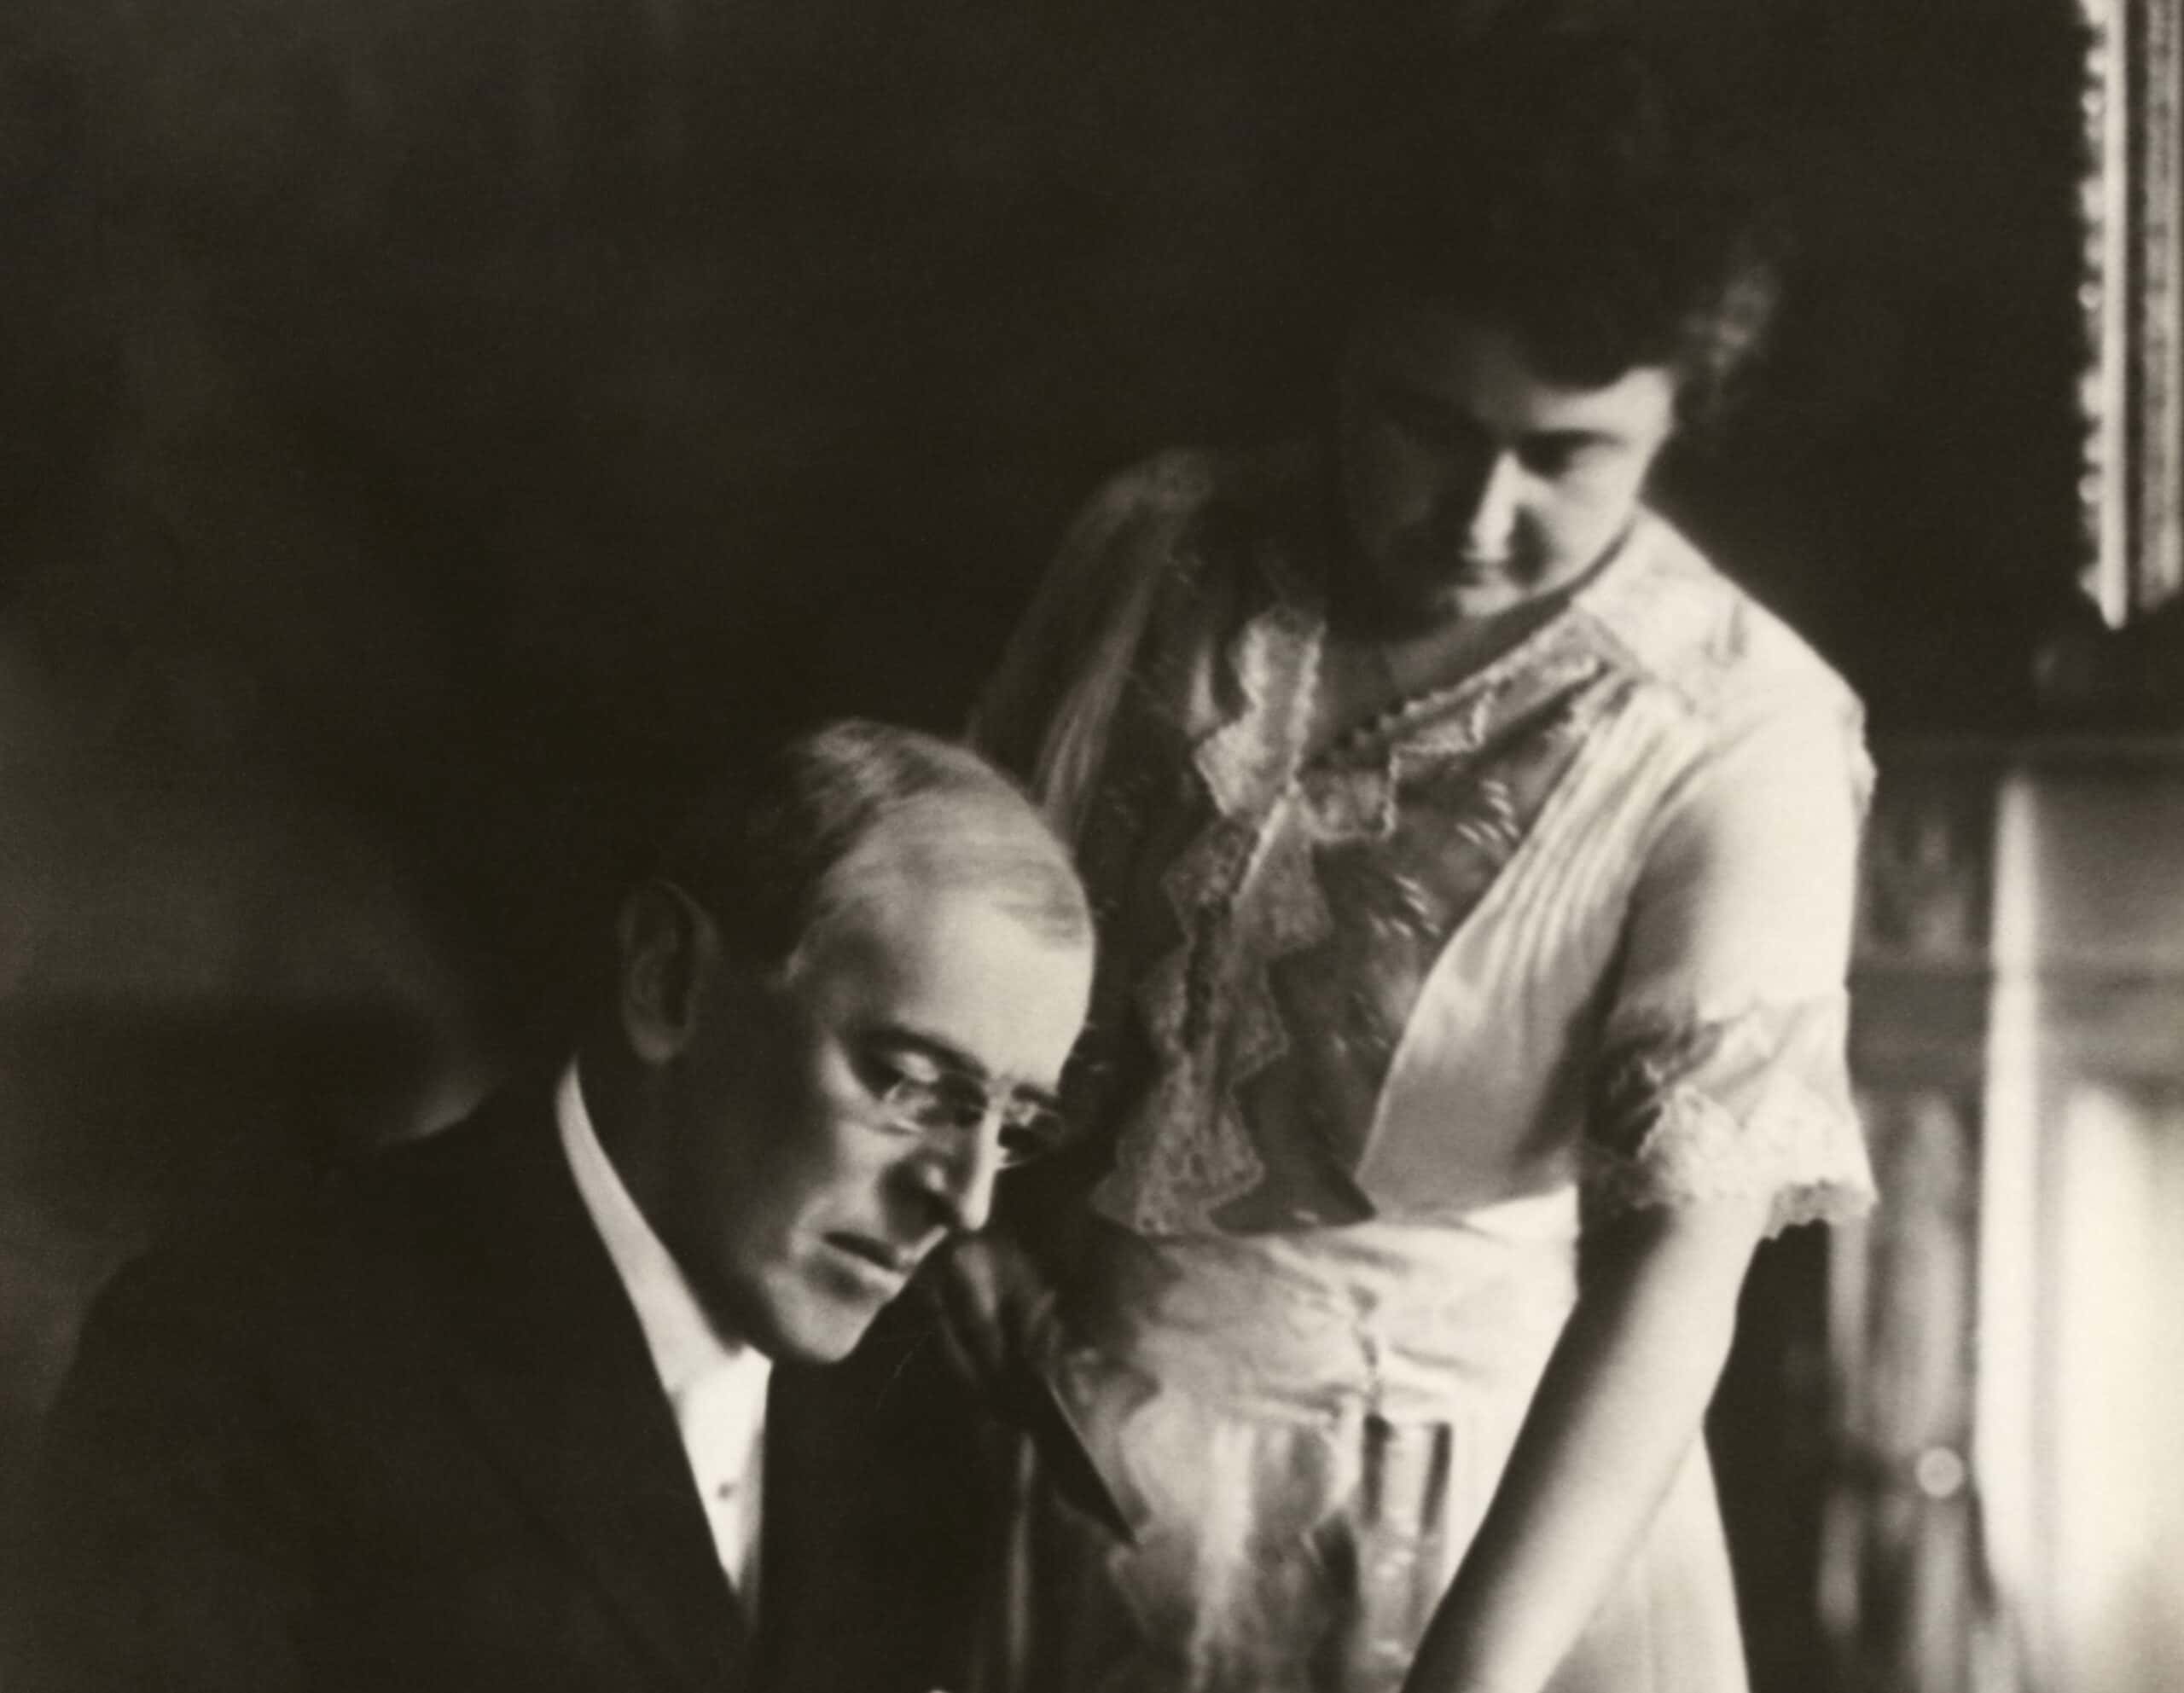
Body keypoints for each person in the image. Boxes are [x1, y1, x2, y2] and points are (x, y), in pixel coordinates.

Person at [951, 16, 1874, 1693]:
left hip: (1474, 1516)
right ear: (1343, 351)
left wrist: (1476, 1669)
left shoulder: (1739, 730)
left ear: (1678, 417)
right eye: (1422, 422)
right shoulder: (1161, 546)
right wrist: (959, 1221)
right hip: (1069, 1447)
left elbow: (1677, 1266)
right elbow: (944, 918)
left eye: (1562, 455)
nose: (1471, 512)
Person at [10, 720, 1096, 1693]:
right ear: (669, 981)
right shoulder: (232, 1354)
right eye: (910, 1086)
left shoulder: (927, 1410)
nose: (964, 1197)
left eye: (1013, 1125)